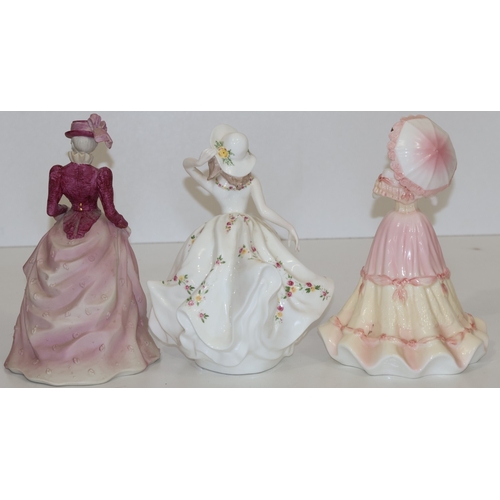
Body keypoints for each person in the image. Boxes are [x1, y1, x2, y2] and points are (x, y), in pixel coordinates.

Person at [148, 124, 334, 374]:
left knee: (256, 270)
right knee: (215, 274)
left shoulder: (250, 183)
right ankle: (217, 334)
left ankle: (254, 334)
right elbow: (188, 167)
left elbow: (264, 210)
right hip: (222, 234)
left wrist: (288, 225)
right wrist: (199, 161)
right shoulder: (217, 183)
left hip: (246, 232)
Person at [319, 115, 488, 377]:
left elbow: (376, 192)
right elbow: (426, 197)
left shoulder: (395, 175)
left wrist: (394, 181)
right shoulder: (418, 179)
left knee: (418, 273)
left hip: (401, 225)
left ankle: (417, 330)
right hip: (414, 225)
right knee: (396, 272)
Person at [4, 114, 160, 385]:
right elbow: (110, 210)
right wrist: (122, 225)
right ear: (95, 146)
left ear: (72, 144)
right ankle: (104, 345)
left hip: (66, 227)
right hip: (95, 227)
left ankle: (49, 346)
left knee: (52, 272)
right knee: (110, 273)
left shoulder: (58, 172)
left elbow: (51, 209)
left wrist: (64, 211)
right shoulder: (101, 175)